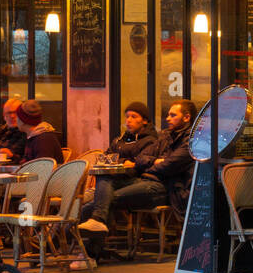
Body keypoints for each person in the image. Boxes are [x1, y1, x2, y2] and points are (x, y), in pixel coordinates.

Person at [78, 100, 195, 233]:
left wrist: (152, 164)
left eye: (173, 115)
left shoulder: (191, 141)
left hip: (164, 187)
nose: (168, 118)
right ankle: (93, 231)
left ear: (186, 118)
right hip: (145, 181)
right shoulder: (165, 136)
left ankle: (73, 235)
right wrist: (156, 161)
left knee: (102, 201)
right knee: (104, 178)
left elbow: (170, 165)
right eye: (168, 115)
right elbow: (140, 159)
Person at [74, 102, 160, 237]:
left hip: (135, 181)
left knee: (100, 200)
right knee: (77, 202)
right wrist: (123, 162)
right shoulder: (119, 140)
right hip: (112, 181)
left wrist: (118, 163)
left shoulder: (150, 140)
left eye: (134, 116)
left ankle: (69, 240)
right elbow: (104, 158)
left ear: (144, 121)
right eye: (127, 117)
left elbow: (138, 165)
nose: (129, 120)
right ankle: (59, 234)